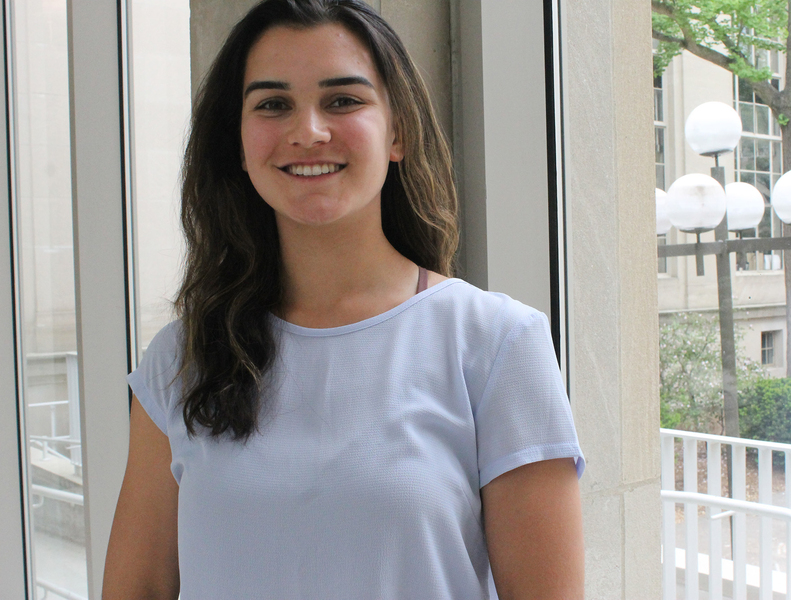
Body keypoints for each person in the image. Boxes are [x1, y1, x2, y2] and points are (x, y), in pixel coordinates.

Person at [102, 1, 585, 598]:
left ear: (398, 132)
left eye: (343, 100)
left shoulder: (495, 342)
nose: (308, 131)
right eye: (273, 104)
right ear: (238, 140)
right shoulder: (182, 357)